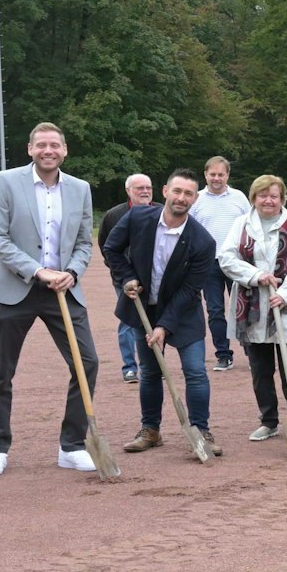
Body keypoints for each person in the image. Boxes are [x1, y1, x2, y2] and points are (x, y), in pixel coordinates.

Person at [0, 122, 103, 477]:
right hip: (13, 290)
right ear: (30, 149)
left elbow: (83, 241)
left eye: (55, 145)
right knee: (2, 370)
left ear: (64, 150)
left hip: (63, 290)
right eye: (41, 145)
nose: (48, 151)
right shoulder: (4, 181)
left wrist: (73, 272)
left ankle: (72, 445)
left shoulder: (80, 189)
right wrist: (37, 271)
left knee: (87, 363)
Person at [104, 168, 219, 457]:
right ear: (165, 192)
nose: (181, 198)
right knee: (150, 372)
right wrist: (126, 277)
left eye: (189, 193)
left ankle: (201, 430)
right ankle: (150, 430)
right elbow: (112, 249)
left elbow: (190, 291)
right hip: (144, 309)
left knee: (195, 372)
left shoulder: (203, 242)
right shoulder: (137, 218)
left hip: (183, 312)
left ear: (195, 199)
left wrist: (165, 326)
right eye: (177, 191)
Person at [220, 173, 287, 443]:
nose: (268, 200)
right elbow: (226, 257)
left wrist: (284, 294)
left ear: (282, 198)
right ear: (254, 198)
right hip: (250, 306)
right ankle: (269, 420)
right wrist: (255, 276)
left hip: (285, 305)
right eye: (263, 195)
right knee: (260, 369)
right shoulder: (241, 224)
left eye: (274, 196)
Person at [189, 156, 251, 371]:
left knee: (244, 308)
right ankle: (223, 354)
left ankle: (252, 352)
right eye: (212, 174)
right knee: (215, 310)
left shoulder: (239, 198)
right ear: (205, 174)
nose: (216, 178)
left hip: (237, 262)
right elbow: (188, 232)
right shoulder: (195, 199)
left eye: (221, 174)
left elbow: (251, 227)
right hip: (209, 264)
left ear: (227, 175)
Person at [99, 174, 154, 382]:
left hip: (152, 278)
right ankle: (129, 367)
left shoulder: (160, 211)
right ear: (128, 190)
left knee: (153, 319)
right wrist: (120, 273)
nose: (145, 191)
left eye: (148, 187)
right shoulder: (114, 215)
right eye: (139, 188)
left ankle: (152, 364)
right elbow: (106, 245)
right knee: (129, 320)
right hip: (124, 279)